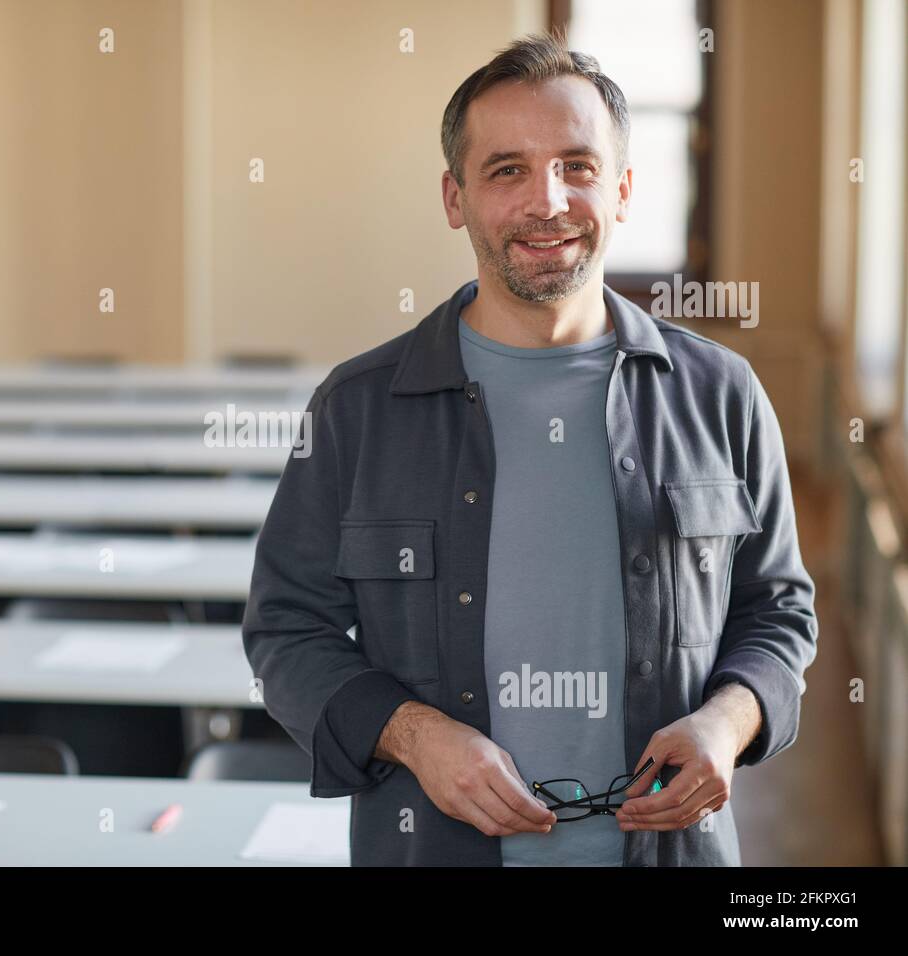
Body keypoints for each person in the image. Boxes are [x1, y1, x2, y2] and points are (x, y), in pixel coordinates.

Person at [241, 31, 818, 866]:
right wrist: (415, 737)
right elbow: (288, 631)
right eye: (507, 169)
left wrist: (726, 723)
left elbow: (779, 613)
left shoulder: (721, 394)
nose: (547, 201)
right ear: (455, 197)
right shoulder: (357, 411)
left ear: (620, 190)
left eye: (577, 166)